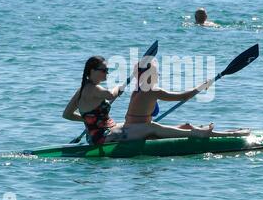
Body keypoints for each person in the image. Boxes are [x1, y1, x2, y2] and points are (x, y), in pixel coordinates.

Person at [62, 56, 217, 145]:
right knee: (151, 128)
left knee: (143, 127)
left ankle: (186, 129)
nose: (106, 74)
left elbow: (67, 114)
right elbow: (110, 94)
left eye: (107, 71)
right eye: (104, 70)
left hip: (101, 134)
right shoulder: (95, 89)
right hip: (103, 137)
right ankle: (195, 134)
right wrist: (119, 87)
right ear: (91, 71)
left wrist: (88, 120)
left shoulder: (81, 90)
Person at [124, 59, 251, 139]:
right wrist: (201, 86)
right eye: (156, 72)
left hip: (135, 129)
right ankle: (232, 135)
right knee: (193, 130)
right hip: (140, 131)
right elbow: (184, 96)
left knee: (187, 126)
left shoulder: (138, 89)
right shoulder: (152, 90)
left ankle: (228, 133)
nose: (159, 75)